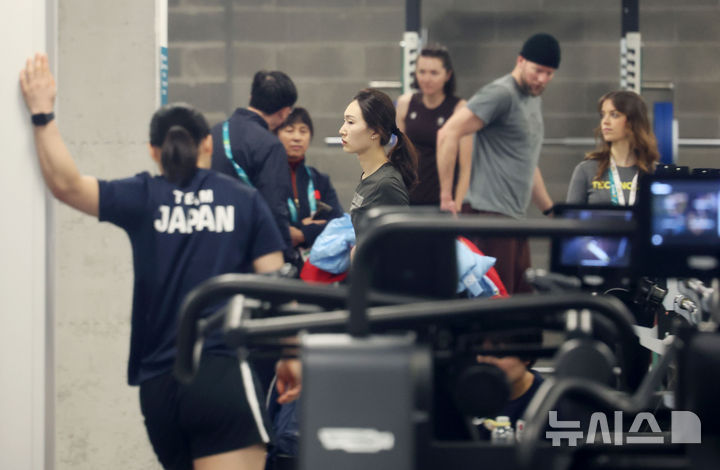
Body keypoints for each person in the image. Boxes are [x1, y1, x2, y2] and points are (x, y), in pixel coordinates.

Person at [20, 53, 300, 470]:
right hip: (219, 373)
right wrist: (291, 354)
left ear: (153, 150)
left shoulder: (143, 196)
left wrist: (42, 113)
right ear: (208, 144)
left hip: (158, 385)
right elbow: (275, 286)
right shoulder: (243, 200)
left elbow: (66, 185)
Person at [437, 33, 561, 294]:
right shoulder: (501, 93)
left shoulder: (532, 99)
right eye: (537, 70)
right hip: (488, 215)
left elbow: (527, 161)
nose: (542, 79)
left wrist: (551, 211)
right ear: (520, 61)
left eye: (549, 73)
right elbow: (448, 133)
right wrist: (447, 196)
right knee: (495, 306)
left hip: (513, 217)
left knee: (520, 304)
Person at [210, 70, 298, 262]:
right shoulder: (270, 145)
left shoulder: (212, 134)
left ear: (251, 97)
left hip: (211, 244)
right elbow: (274, 207)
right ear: (284, 112)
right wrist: (286, 257)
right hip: (247, 250)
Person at [395, 45, 472, 209]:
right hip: (408, 200)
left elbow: (466, 168)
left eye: (434, 73)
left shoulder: (460, 109)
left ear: (447, 75)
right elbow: (399, 154)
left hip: (442, 202)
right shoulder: (405, 104)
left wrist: (457, 206)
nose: (427, 79)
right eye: (422, 72)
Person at [340, 88, 418, 242]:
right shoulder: (370, 175)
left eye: (351, 122)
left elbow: (402, 244)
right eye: (344, 121)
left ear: (375, 131)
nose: (342, 130)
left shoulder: (387, 183)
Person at [566, 90, 660, 205]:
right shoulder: (586, 170)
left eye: (614, 115)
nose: (605, 121)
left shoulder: (655, 172)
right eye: (603, 115)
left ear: (633, 121)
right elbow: (570, 215)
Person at [275, 107, 344, 251]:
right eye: (289, 130)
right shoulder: (267, 177)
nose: (297, 137)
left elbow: (338, 223)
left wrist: (302, 233)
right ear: (276, 134)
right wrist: (308, 226)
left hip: (315, 259)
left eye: (303, 131)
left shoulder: (320, 180)